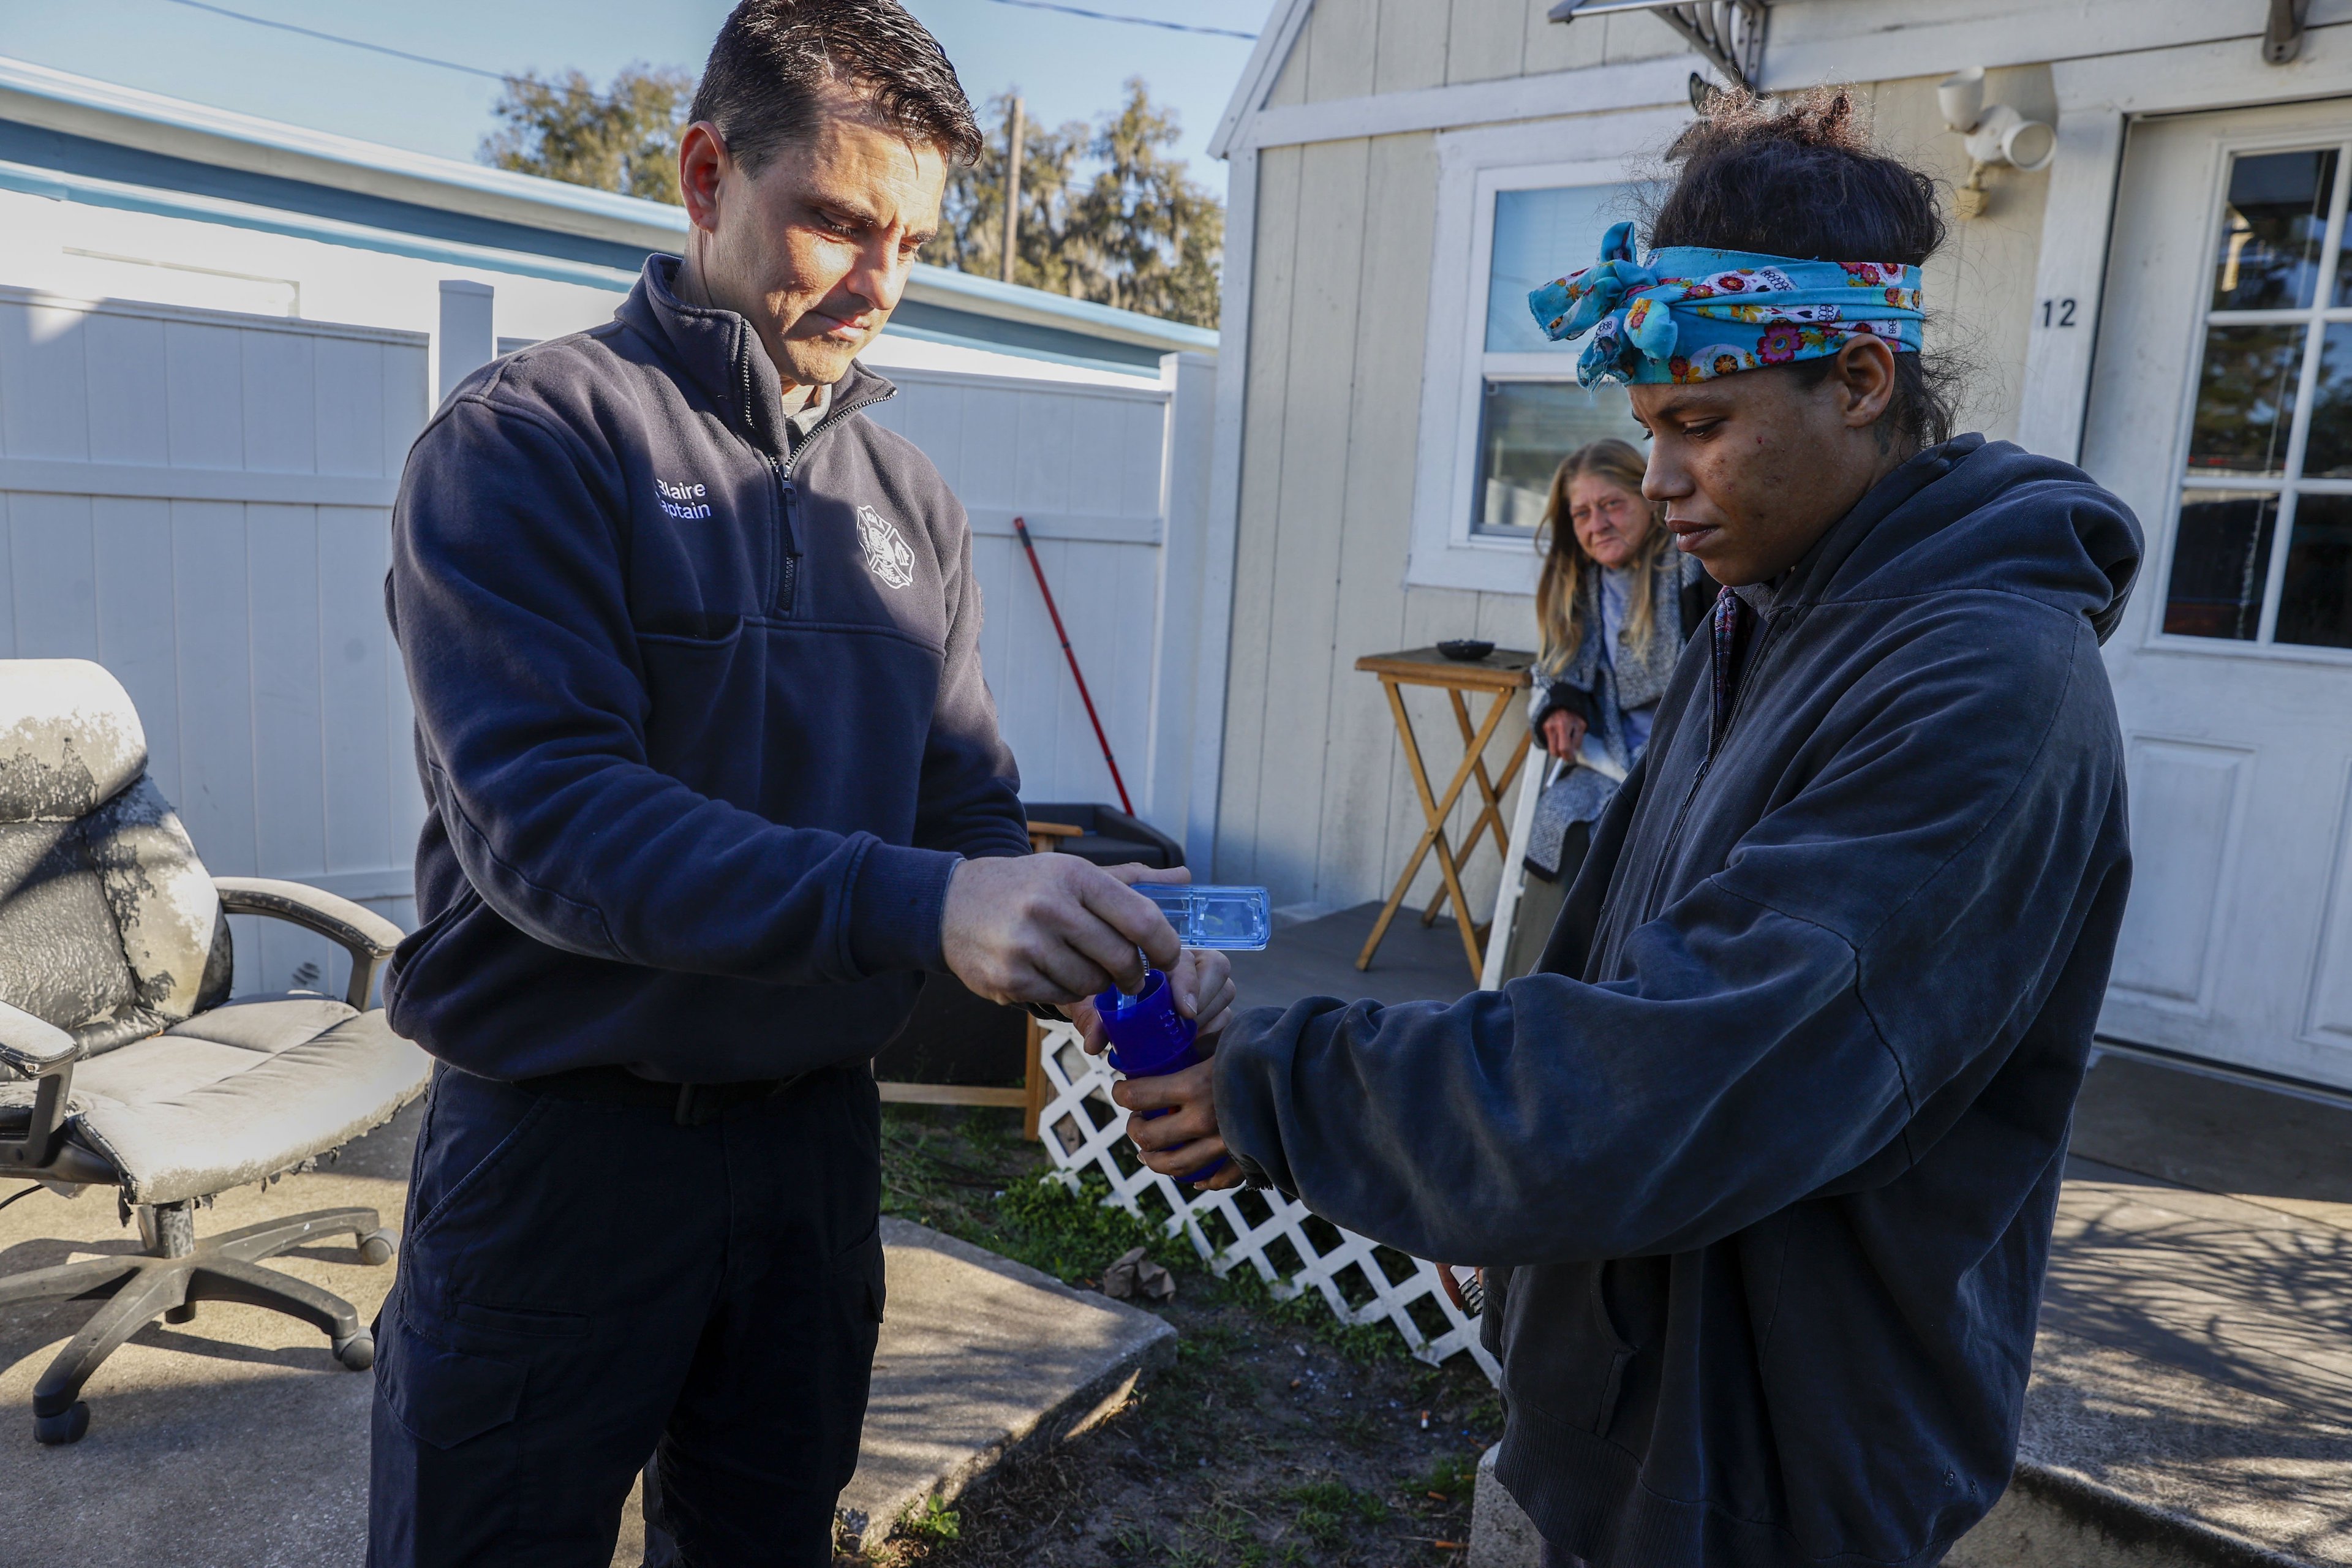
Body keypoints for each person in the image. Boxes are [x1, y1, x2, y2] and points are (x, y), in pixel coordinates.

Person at [1116, 91, 2141, 1567]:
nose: (1654, 485)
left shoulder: (1980, 685)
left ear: (1857, 377)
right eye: (1648, 428)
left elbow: (1686, 1069)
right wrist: (1505, 1195)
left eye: (1698, 427)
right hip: (1640, 1419)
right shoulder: (1772, 616)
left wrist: (1272, 1079)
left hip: (1777, 1469)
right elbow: (1608, 961)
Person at [369, 4, 1229, 1564]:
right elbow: (550, 825)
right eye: (835, 219)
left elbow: (959, 810)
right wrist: (924, 897)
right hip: (563, 1154)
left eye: (908, 240)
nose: (878, 282)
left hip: (813, 1159)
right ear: (707, 175)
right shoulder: (533, 439)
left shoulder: (911, 501)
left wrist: (1099, 949)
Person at [1503, 439, 1713, 978]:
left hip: (1695, 757)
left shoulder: (1694, 567)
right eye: (1582, 513)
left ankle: (1624, 993)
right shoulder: (1582, 585)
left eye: (1612, 505)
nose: (1597, 524)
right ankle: (1534, 991)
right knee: (1562, 823)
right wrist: (1560, 706)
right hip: (1612, 759)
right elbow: (1554, 666)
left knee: (1657, 843)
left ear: (1646, 500)